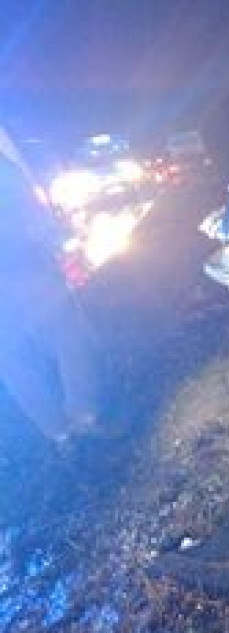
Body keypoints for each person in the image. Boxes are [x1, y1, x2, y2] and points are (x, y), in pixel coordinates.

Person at [0, 125, 106, 448]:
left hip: (18, 268)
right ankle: (83, 416)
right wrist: (55, 239)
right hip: (22, 266)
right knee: (69, 334)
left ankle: (59, 435)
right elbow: (27, 210)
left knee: (13, 360)